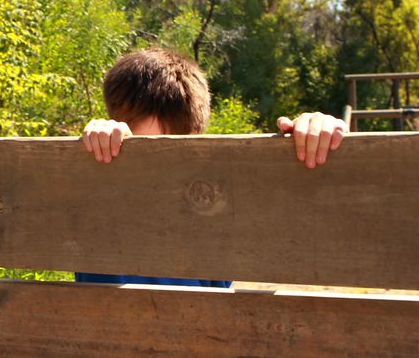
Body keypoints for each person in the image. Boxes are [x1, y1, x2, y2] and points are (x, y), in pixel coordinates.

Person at [76, 48, 347, 287]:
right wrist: (98, 141)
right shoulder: (95, 195)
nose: (156, 174)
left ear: (196, 137)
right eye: (136, 151)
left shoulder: (215, 207)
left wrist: (315, 131)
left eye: (168, 154)